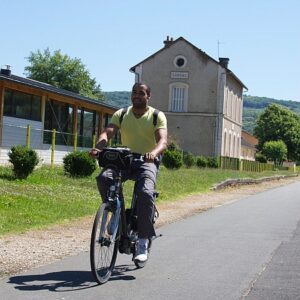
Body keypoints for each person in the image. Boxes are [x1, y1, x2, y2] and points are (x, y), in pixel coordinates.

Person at [90, 82, 167, 263]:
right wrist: (98, 147)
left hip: (146, 160)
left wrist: (153, 153)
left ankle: (142, 240)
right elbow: (107, 134)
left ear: (148, 96)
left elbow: (163, 141)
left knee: (145, 193)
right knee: (103, 178)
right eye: (134, 93)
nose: (136, 96)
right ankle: (114, 210)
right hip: (124, 159)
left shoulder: (156, 116)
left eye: (141, 93)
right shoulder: (122, 114)